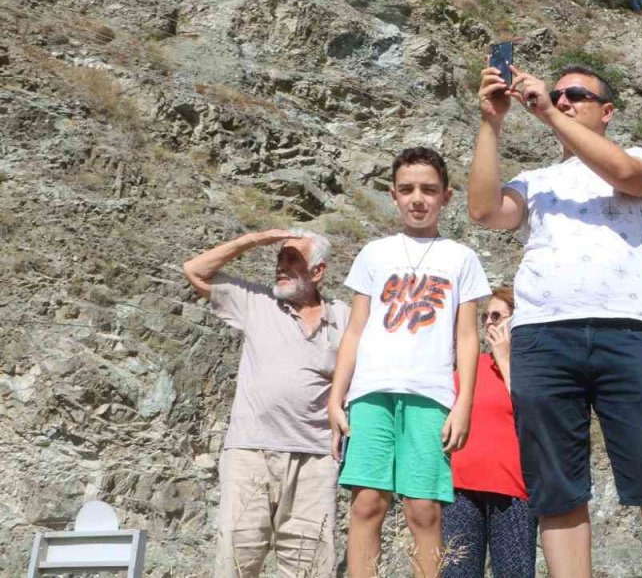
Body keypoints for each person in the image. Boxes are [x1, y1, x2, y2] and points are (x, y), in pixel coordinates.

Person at [468, 61, 642, 578]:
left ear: (607, 111)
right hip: (541, 336)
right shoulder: (535, 180)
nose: (563, 100)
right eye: (557, 95)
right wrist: (491, 122)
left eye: (575, 94)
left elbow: (628, 177)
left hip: (626, 333)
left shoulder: (636, 157)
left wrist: (550, 116)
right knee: (557, 489)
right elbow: (485, 211)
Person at [328, 147, 489, 578]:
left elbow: (467, 336)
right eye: (407, 189)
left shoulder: (461, 258)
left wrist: (463, 403)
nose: (418, 198)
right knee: (366, 502)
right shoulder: (375, 253)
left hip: (430, 395)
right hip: (370, 392)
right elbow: (356, 330)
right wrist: (336, 397)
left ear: (446, 196)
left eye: (428, 190)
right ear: (393, 195)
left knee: (424, 509)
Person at [182, 228, 349, 578]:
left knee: (311, 569)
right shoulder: (255, 302)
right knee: (236, 565)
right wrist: (253, 240)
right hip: (250, 455)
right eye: (278, 259)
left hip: (315, 461)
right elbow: (195, 270)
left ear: (318, 271)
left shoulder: (344, 317)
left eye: (292, 260)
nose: (281, 267)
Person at [442, 286, 538, 578]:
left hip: (514, 490)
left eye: (497, 316)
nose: (488, 323)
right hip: (460, 488)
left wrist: (505, 359)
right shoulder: (471, 367)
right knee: (456, 572)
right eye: (485, 317)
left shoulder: (531, 369)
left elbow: (531, 414)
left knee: (515, 573)